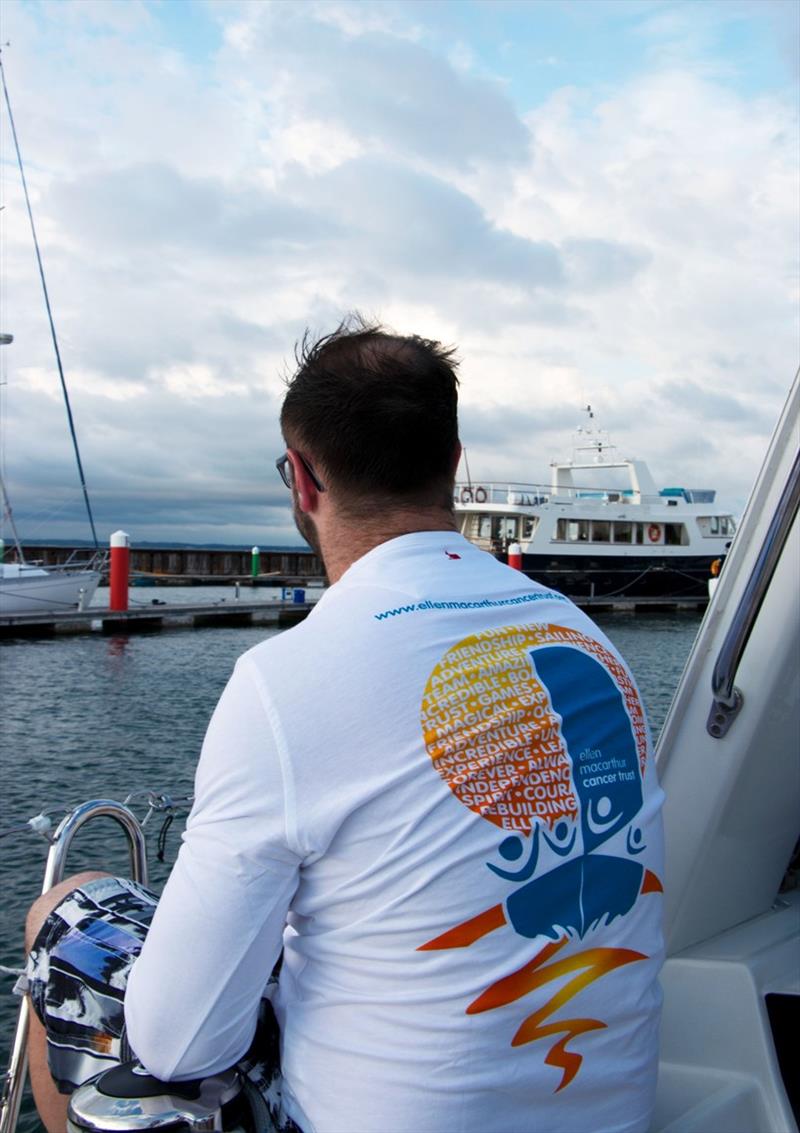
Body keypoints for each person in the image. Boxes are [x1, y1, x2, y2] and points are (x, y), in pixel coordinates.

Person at [24, 318, 664, 1133]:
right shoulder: (586, 637)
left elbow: (181, 1044)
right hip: (613, 1115)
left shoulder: (286, 679)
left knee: (67, 909)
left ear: (302, 479)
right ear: (455, 467)